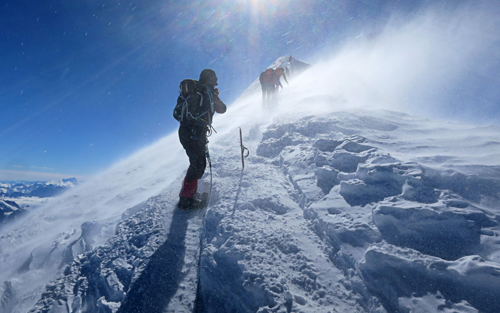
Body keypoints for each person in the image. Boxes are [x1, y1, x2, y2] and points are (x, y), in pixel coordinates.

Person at [178, 69, 226, 209]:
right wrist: (216, 96)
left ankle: (187, 195)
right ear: (211, 79)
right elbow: (223, 109)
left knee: (196, 163)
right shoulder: (208, 91)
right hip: (196, 131)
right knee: (198, 165)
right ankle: (186, 200)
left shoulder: (193, 90)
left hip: (185, 131)